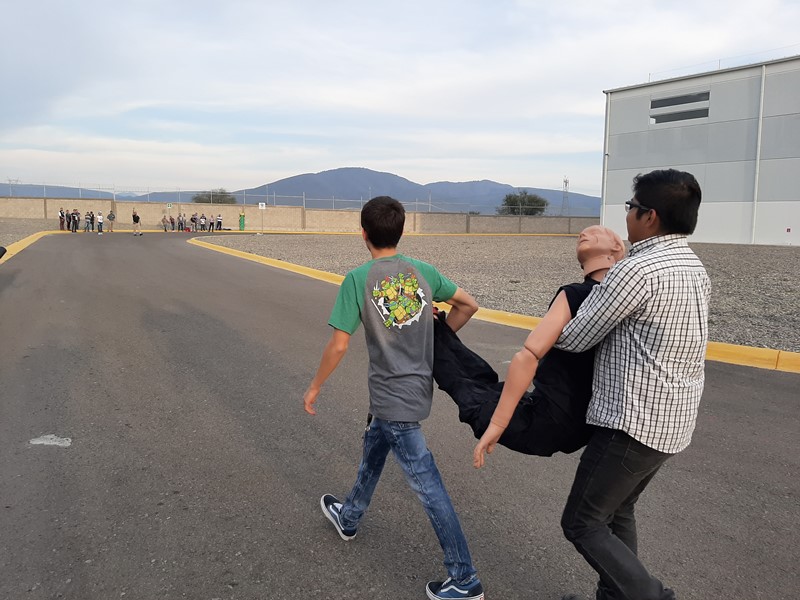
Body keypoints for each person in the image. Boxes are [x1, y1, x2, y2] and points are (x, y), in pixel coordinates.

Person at [303, 196, 485, 600]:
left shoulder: (358, 279)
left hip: (392, 397)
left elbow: (339, 344)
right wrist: (433, 341)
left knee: (427, 484)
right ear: (401, 232)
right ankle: (349, 516)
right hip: (413, 389)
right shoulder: (423, 271)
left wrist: (315, 386)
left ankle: (464, 577)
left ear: (363, 234)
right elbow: (468, 305)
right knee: (375, 446)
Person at [554, 169, 710, 600]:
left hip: (632, 421)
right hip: (673, 420)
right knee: (618, 510)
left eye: (631, 206)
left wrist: (558, 315)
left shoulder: (636, 270)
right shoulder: (692, 265)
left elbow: (576, 338)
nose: (627, 214)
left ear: (649, 216)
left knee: (582, 522)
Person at [435, 226, 625, 462]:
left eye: (596, 233)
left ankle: (432, 330)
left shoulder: (574, 294)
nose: (583, 235)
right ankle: (436, 329)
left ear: (617, 246)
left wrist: (496, 424)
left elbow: (528, 356)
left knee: (471, 394)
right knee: (485, 382)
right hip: (586, 420)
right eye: (581, 236)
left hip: (553, 420)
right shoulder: (624, 300)